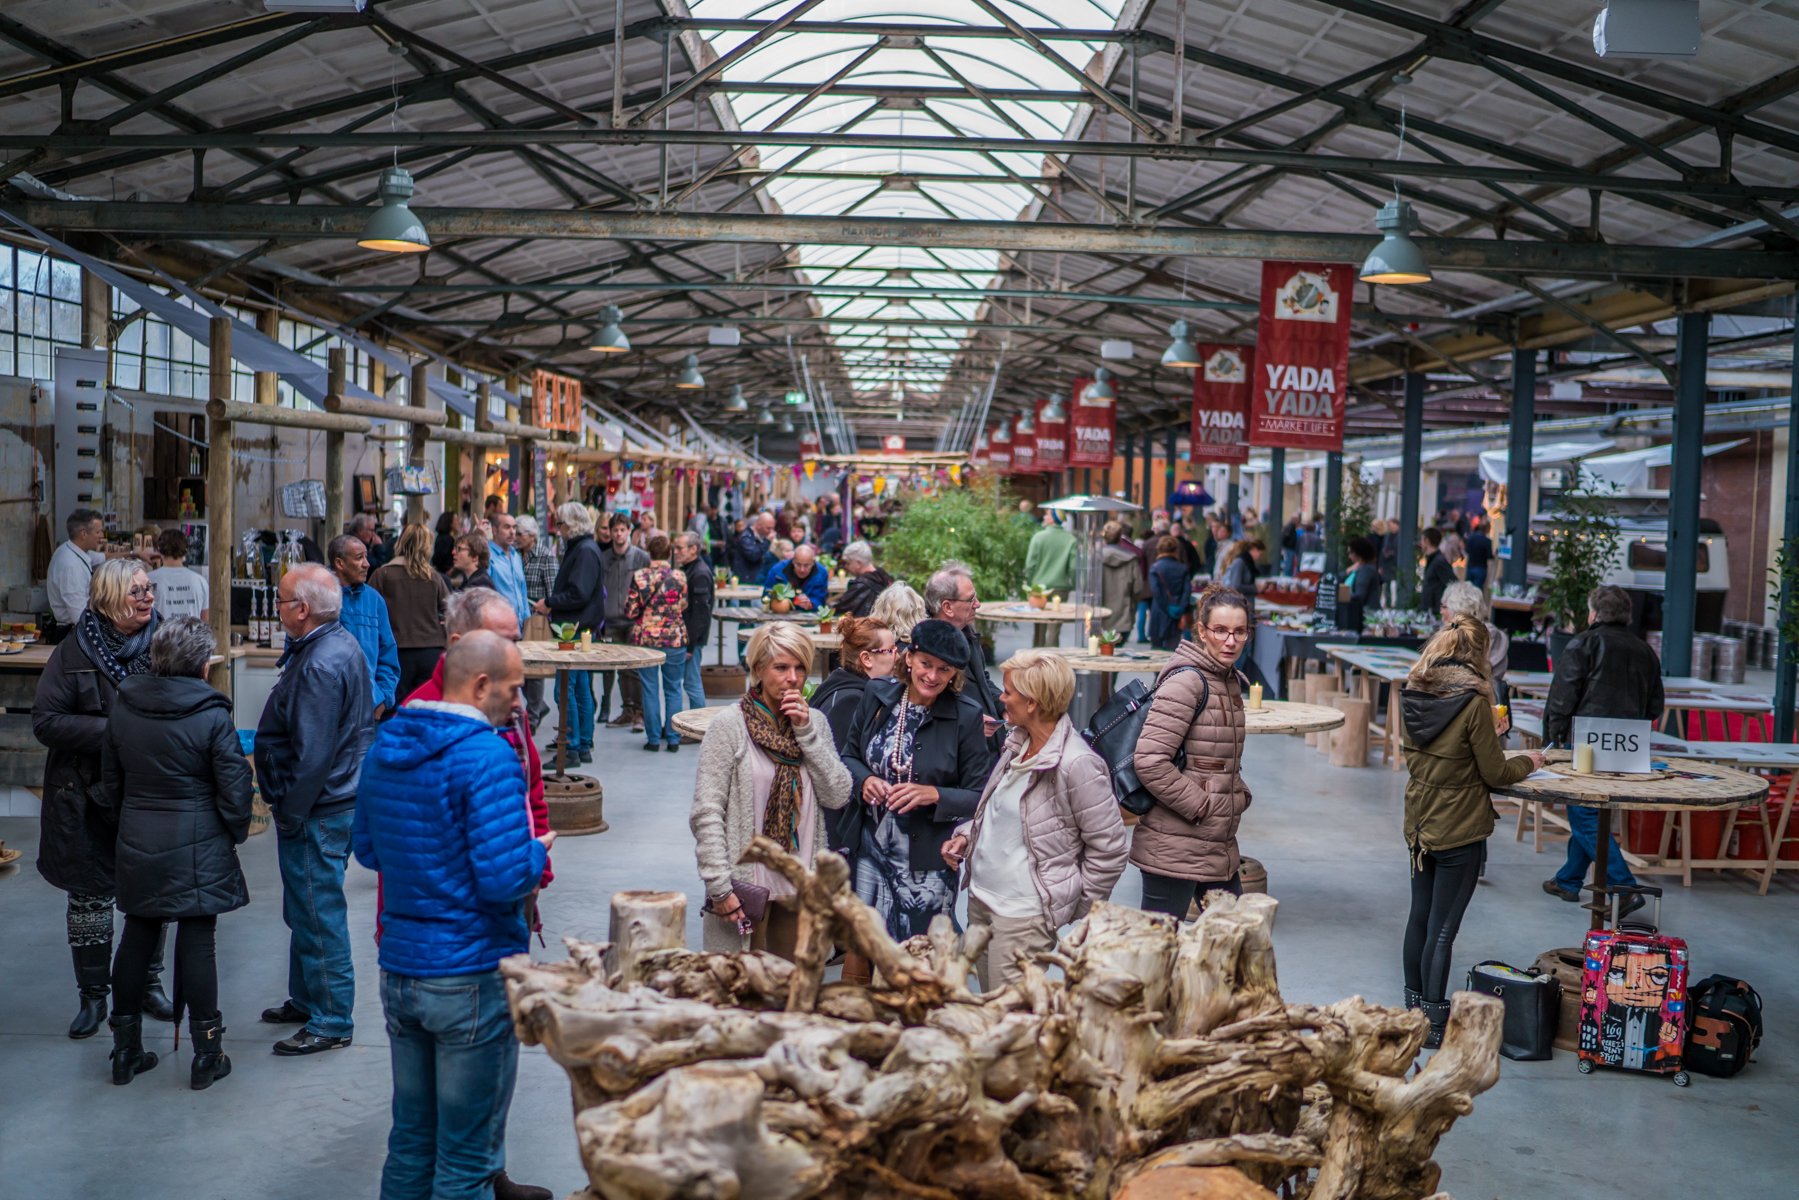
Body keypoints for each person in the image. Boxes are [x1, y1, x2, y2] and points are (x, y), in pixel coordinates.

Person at [354, 631, 556, 1200]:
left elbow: (368, 851)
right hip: (469, 974)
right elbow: (503, 879)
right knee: (467, 1161)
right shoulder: (487, 755)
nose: (521, 704)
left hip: (401, 971)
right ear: (481, 684)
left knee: (412, 1142)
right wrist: (537, 851)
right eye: (515, 690)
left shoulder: (389, 740)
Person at [98, 617, 253, 1088]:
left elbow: (110, 783)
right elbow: (235, 791)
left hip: (140, 838)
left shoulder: (125, 706)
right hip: (199, 841)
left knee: (137, 936)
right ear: (203, 667)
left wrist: (130, 824)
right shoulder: (212, 716)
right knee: (198, 941)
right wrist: (235, 832)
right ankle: (207, 1055)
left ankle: (125, 1051)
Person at [33, 558, 174, 1038]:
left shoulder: (165, 644)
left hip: (147, 793)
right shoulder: (72, 652)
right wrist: (115, 730)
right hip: (86, 798)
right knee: (89, 897)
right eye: (137, 592)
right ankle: (93, 997)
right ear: (110, 600)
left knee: (151, 896)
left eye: (149, 588)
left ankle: (147, 987)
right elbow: (46, 722)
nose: (149, 597)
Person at [939, 649, 1127, 991]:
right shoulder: (1018, 744)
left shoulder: (1077, 764)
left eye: (1009, 691)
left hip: (1022, 916)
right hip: (982, 900)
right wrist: (967, 836)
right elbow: (1001, 811)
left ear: (1033, 703)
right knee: (987, 1007)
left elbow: (1110, 849)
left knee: (1008, 1021)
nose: (1001, 697)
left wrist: (1067, 906)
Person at [1399, 617, 1541, 1047]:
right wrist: (1531, 761)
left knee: (1420, 918)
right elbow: (1496, 773)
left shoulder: (1415, 691)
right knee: (1443, 929)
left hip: (1420, 822)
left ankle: (1412, 1010)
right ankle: (1435, 1025)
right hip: (1459, 825)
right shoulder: (1473, 700)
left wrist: (1486, 736)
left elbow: (1443, 751)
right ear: (1480, 654)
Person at [254, 563, 373, 1055]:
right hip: (328, 802)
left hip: (318, 807)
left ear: (302, 610)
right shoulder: (330, 645)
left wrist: (290, 810)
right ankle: (306, 999)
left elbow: (314, 753)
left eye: (280, 601)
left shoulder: (322, 662)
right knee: (303, 907)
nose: (276, 607)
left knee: (319, 912)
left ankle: (331, 1020)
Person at [690, 622, 852, 956]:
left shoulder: (814, 722)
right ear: (759, 669)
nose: (793, 678)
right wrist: (719, 886)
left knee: (792, 992)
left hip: (801, 888)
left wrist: (806, 734)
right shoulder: (730, 726)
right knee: (742, 991)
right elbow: (707, 813)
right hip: (747, 888)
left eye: (800, 668)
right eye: (781, 667)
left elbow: (838, 794)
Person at [839, 619, 992, 955]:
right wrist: (865, 779)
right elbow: (848, 755)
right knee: (872, 950)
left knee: (923, 958)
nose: (933, 676)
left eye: (944, 669)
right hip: (871, 851)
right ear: (908, 658)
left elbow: (981, 796)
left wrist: (935, 795)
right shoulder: (877, 696)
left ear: (955, 674)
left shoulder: (966, 716)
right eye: (926, 664)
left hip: (928, 866)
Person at [1132, 585, 1254, 919]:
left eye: (1240, 632)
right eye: (1220, 630)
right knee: (1157, 951)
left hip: (1216, 844)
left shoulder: (1226, 679)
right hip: (1174, 847)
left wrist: (1236, 793)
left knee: (1234, 943)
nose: (1230, 641)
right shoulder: (1188, 682)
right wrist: (1203, 805)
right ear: (1201, 631)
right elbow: (1150, 760)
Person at [1542, 585, 1664, 914]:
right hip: (1629, 748)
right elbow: (1655, 707)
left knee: (1583, 813)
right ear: (1627, 615)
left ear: (1594, 613)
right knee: (1594, 813)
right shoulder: (1645, 651)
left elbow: (1562, 697)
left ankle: (1623, 888)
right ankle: (1568, 880)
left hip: (1586, 744)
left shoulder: (1583, 643)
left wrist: (1553, 742)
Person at [535, 502, 605, 763]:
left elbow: (579, 593)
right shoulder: (584, 548)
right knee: (581, 688)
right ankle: (582, 744)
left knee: (566, 689)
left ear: (572, 525)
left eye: (560, 524)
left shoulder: (584, 550)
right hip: (580, 628)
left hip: (574, 630)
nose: (558, 529)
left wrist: (550, 602)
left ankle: (572, 747)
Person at [924, 562, 1004, 748]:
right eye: (970, 599)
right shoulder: (927, 651)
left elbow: (982, 681)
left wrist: (1003, 705)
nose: (977, 604)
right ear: (948, 607)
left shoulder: (967, 635)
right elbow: (924, 706)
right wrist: (969, 722)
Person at [370, 524, 451, 706]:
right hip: (431, 650)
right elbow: (451, 612)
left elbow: (369, 613)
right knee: (428, 709)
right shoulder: (434, 578)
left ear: (401, 543)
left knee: (393, 709)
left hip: (395, 652)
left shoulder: (381, 575)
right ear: (427, 547)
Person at [626, 534, 690, 753]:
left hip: (647, 640)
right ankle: (673, 739)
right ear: (670, 553)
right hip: (675, 638)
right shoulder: (679, 576)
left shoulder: (640, 576)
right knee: (673, 689)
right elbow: (683, 604)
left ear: (648, 553)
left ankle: (653, 739)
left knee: (650, 689)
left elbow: (631, 610)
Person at [330, 533, 402, 718]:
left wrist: (382, 700)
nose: (367, 564)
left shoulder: (374, 600)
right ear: (339, 563)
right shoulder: (320, 597)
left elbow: (388, 655)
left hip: (368, 711)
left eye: (366, 557)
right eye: (359, 558)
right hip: (327, 711)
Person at [593, 514, 651, 732]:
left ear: (629, 531)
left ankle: (639, 713)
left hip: (634, 620)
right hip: (610, 620)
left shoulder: (641, 557)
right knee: (619, 669)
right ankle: (626, 710)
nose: (617, 534)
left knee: (635, 668)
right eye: (614, 530)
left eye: (622, 530)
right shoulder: (603, 557)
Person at [46, 507, 108, 643]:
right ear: (83, 534)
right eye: (98, 532)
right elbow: (79, 615)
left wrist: (134, 554)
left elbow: (101, 557)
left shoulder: (72, 549)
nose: (101, 536)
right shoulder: (71, 566)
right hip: (71, 634)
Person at [673, 531, 715, 716]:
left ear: (693, 549)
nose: (675, 552)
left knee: (692, 682)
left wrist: (690, 644)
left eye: (679, 548)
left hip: (692, 638)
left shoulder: (699, 573)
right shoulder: (690, 569)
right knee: (690, 681)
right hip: (689, 636)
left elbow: (701, 614)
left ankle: (697, 726)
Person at [1441, 581, 1508, 683]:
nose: (1441, 611)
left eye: (1444, 607)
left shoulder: (1490, 636)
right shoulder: (1447, 634)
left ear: (1457, 608)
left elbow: (1482, 677)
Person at [148, 528, 209, 621]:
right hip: (191, 635)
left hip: (159, 635)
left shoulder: (149, 579)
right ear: (186, 550)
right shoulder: (201, 582)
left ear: (159, 549)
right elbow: (204, 623)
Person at [1148, 535, 1193, 651]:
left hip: (1159, 611)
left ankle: (1158, 670)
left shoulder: (1155, 568)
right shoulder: (1183, 568)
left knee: (1156, 648)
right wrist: (1181, 608)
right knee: (1172, 647)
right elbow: (1187, 591)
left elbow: (1157, 592)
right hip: (1178, 611)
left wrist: (1167, 608)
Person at [486, 511, 529, 631]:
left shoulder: (516, 556)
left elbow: (522, 591)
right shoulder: (487, 555)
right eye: (507, 527)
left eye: (514, 527)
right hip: (497, 627)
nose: (512, 532)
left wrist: (527, 621)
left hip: (519, 627)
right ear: (494, 530)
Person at [1098, 521, 1140, 638]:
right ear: (1120, 538)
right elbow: (1138, 588)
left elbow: (1085, 584)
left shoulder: (1096, 558)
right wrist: (1132, 605)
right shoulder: (1131, 559)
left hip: (1100, 615)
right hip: (1123, 614)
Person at [831, 540, 893, 618]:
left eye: (848, 563)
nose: (846, 566)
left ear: (858, 563)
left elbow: (841, 611)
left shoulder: (860, 585)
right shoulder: (886, 577)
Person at [1024, 512, 1077, 596]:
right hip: (1060, 590)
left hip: (1038, 589)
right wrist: (1074, 586)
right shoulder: (1071, 539)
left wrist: (1030, 583)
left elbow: (1030, 565)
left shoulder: (1038, 537)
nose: (1044, 517)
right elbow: (1073, 568)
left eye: (1047, 514)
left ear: (1053, 518)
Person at [763, 543, 828, 612]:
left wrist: (811, 604)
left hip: (808, 616)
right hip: (780, 615)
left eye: (806, 565)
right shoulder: (777, 571)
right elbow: (766, 595)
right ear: (793, 560)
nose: (802, 569)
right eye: (798, 564)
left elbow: (821, 601)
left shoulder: (821, 573)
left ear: (813, 562)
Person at [1341, 535, 1381, 634]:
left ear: (1358, 553)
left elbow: (1360, 594)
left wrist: (1343, 598)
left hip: (1366, 614)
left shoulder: (1365, 570)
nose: (1349, 556)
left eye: (1351, 553)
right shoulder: (1365, 568)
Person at [1218, 538, 1264, 615]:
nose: (1260, 557)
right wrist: (1255, 588)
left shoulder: (1248, 564)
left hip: (1246, 607)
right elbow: (1235, 587)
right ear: (1254, 549)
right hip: (1240, 608)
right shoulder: (1240, 562)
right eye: (1260, 553)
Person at [1418, 527, 1457, 615]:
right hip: (1431, 609)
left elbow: (1452, 583)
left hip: (1435, 610)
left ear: (1427, 541)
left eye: (1422, 540)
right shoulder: (1434, 560)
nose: (1421, 543)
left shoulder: (1439, 561)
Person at [730, 512, 774, 585]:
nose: (771, 531)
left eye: (772, 528)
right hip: (747, 579)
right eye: (768, 528)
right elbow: (753, 555)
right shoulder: (745, 537)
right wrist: (767, 541)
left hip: (757, 577)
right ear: (759, 525)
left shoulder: (760, 537)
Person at [1464, 517, 1493, 589]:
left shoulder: (1470, 538)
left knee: (1468, 590)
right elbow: (1489, 556)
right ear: (1487, 529)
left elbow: (1467, 550)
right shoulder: (1487, 541)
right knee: (1477, 590)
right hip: (1481, 568)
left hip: (1470, 566)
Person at [431, 510, 458, 576]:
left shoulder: (444, 537)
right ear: (449, 522)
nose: (458, 522)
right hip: (446, 573)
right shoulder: (445, 539)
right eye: (456, 520)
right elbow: (439, 557)